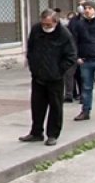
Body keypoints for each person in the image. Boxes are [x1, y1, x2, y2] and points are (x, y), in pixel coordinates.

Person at [20, 9, 77, 146]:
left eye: (48, 24)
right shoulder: (36, 30)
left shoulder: (64, 34)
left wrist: (59, 70)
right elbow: (31, 49)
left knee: (55, 107)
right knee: (37, 106)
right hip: (38, 76)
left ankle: (52, 134)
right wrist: (33, 67)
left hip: (55, 78)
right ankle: (36, 132)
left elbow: (71, 56)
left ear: (55, 22)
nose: (45, 27)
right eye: (44, 24)